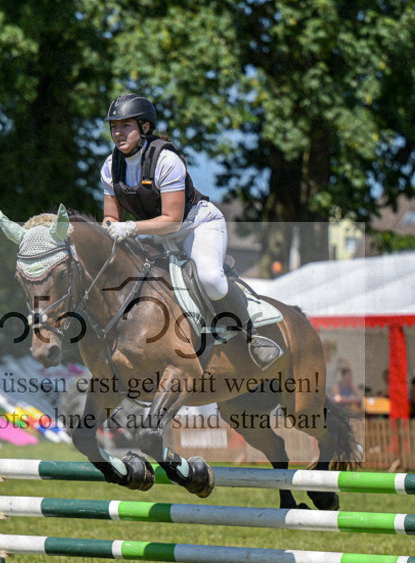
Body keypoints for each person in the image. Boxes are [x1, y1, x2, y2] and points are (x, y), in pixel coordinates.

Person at [100, 93, 282, 370]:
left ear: (145, 127)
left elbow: (173, 220)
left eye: (126, 125)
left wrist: (130, 227)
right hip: (154, 232)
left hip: (195, 225)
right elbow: (111, 217)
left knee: (210, 279)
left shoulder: (166, 160)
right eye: (114, 126)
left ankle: (252, 335)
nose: (118, 132)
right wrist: (108, 229)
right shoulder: (110, 167)